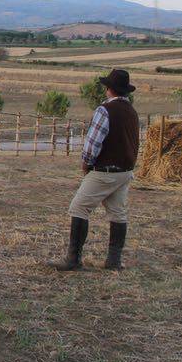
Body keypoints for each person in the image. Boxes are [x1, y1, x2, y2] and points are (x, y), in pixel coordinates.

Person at [51, 68, 138, 271]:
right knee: (118, 214)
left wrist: (86, 163)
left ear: (109, 89)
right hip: (125, 171)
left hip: (104, 171)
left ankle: (73, 259)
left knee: (79, 207)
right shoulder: (132, 112)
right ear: (126, 91)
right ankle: (114, 261)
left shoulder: (104, 110)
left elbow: (93, 143)